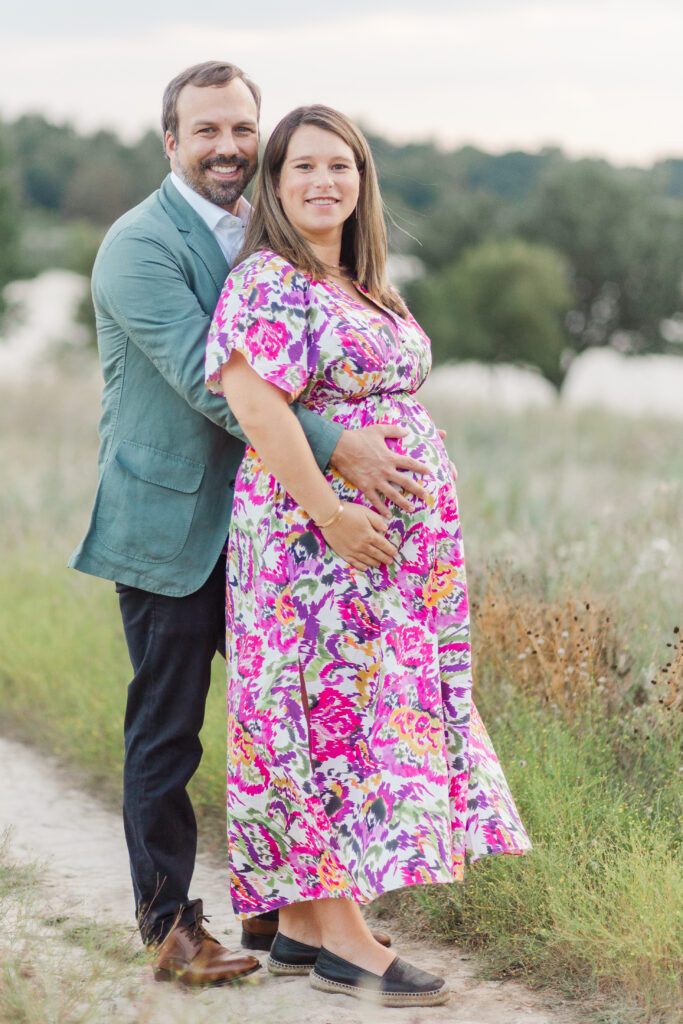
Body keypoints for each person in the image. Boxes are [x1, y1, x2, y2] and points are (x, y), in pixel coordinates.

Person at [69, 63, 426, 985]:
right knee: (168, 727)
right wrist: (341, 446)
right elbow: (213, 379)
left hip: (280, 529)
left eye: (240, 129)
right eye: (207, 132)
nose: (227, 147)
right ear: (170, 142)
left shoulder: (272, 239)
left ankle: (289, 916)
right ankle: (169, 928)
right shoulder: (139, 246)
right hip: (173, 524)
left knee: (290, 721)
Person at [204, 105, 532, 1007]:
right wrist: (334, 517)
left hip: (386, 562)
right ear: (274, 186)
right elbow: (255, 406)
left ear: (361, 181)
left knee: (362, 714)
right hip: (315, 548)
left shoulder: (357, 280)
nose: (322, 182)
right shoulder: (268, 280)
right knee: (316, 723)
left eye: (339, 166)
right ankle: (346, 942)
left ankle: (306, 930)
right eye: (301, 167)